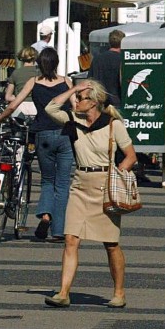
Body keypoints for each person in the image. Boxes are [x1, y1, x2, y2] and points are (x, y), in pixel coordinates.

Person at [42, 79, 137, 308]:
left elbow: (130, 156)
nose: (75, 101)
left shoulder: (114, 125)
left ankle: (119, 293)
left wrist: (117, 174)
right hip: (80, 185)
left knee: (110, 243)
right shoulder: (73, 121)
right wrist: (74, 89)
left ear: (93, 102)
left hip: (104, 186)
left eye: (80, 98)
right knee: (71, 239)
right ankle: (63, 292)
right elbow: (50, 108)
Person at [0, 46, 72, 242]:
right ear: (56, 64)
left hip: (43, 134)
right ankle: (58, 231)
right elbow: (76, 106)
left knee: (47, 180)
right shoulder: (66, 82)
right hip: (65, 135)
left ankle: (46, 214)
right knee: (62, 183)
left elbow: (13, 104)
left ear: (39, 64)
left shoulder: (34, 82)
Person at [90, 30, 125, 105]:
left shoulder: (97, 59)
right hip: (118, 102)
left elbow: (90, 81)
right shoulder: (123, 60)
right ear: (123, 43)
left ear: (109, 42)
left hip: (100, 101)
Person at [5, 46, 40, 115]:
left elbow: (8, 97)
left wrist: (19, 97)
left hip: (20, 108)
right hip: (37, 107)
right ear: (35, 58)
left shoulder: (16, 73)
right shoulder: (40, 73)